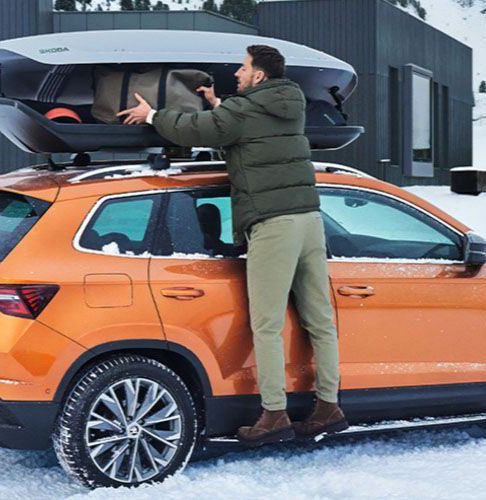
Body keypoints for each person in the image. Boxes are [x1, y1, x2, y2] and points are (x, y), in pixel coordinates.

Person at [118, 45, 347, 446]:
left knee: (267, 325)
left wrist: (152, 115)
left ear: (259, 75)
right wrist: (216, 103)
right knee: (320, 321)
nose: (237, 74)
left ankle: (274, 414)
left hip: (273, 224)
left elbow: (194, 130)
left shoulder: (243, 111)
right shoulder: (291, 104)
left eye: (243, 68)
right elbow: (244, 121)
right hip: (309, 220)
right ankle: (328, 407)